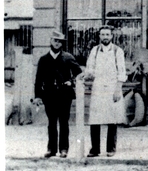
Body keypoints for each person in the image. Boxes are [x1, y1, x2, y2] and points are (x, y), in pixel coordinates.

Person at [33, 30, 82, 158]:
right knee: (52, 123)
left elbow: (80, 74)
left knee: (64, 122)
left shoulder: (68, 57)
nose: (57, 43)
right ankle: (51, 149)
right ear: (50, 41)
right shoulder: (43, 59)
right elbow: (38, 80)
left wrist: (71, 82)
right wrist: (38, 96)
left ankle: (64, 149)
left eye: (60, 41)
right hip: (49, 95)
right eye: (55, 40)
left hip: (64, 95)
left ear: (62, 43)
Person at [83, 25, 127, 157]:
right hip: (98, 87)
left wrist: (118, 89)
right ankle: (95, 149)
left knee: (111, 118)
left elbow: (122, 71)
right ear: (99, 36)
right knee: (95, 119)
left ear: (112, 36)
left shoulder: (117, 51)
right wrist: (87, 75)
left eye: (108, 35)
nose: (105, 37)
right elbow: (90, 68)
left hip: (112, 87)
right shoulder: (95, 50)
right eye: (103, 34)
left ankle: (111, 148)